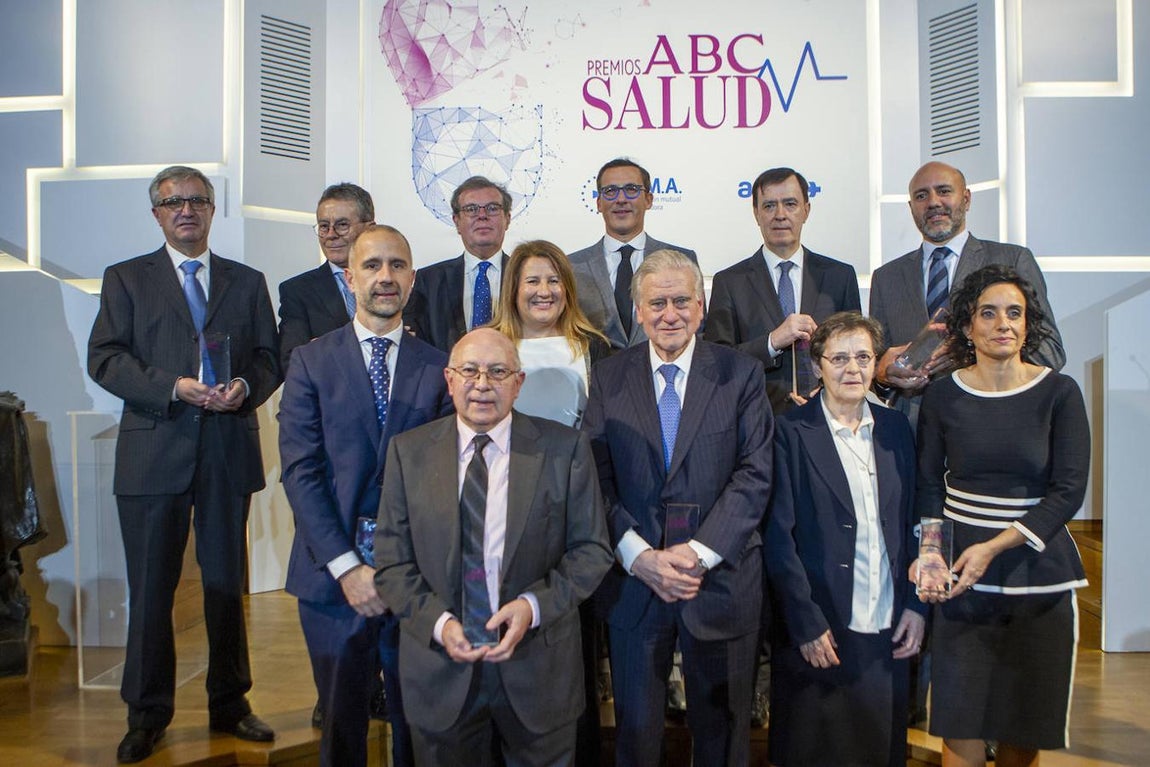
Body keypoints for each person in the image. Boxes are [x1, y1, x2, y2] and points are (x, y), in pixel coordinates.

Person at [87, 165, 281, 763]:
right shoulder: (126, 279)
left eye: (196, 199)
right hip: (153, 452)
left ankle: (230, 704)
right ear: (157, 215)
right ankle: (146, 714)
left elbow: (270, 359)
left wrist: (245, 385)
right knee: (151, 592)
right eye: (173, 202)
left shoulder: (247, 282)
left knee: (225, 586)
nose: (186, 210)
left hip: (225, 449)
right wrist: (172, 387)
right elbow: (105, 359)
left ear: (213, 208)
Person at [373, 328, 614, 767]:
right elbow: (391, 563)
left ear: (518, 383)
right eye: (469, 371)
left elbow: (591, 550)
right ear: (449, 379)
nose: (482, 384)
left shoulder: (565, 450)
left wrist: (532, 607)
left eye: (498, 372)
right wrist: (439, 622)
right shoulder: (408, 454)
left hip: (539, 674)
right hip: (441, 672)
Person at [582, 249, 774, 767]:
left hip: (719, 580)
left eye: (681, 301)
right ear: (638, 311)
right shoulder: (608, 376)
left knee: (723, 735)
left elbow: (755, 474)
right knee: (637, 737)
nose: (671, 313)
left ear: (702, 304)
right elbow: (594, 477)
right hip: (633, 584)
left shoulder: (741, 373)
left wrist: (697, 554)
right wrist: (639, 556)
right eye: (657, 302)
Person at [279, 225, 452, 767]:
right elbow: (301, 472)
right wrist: (347, 568)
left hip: (417, 577)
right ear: (349, 276)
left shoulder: (439, 365)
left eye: (397, 265)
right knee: (340, 727)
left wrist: (400, 569)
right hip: (331, 579)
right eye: (373, 265)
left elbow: (447, 477)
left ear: (413, 278)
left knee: (417, 725)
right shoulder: (310, 362)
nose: (385, 277)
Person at [915, 265, 1089, 767]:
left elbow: (1068, 490)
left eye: (1015, 313)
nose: (1003, 324)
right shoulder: (943, 394)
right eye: (987, 313)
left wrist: (994, 546)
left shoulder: (1060, 393)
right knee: (959, 723)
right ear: (968, 327)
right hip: (961, 585)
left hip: (1039, 579)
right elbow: (929, 484)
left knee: (1022, 728)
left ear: (1029, 325)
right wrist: (930, 551)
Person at [765, 311, 925, 767]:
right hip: (821, 624)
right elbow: (779, 539)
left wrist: (916, 605)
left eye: (862, 357)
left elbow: (914, 520)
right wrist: (805, 622)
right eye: (839, 358)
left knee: (879, 749)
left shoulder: (895, 430)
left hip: (887, 621)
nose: (852, 369)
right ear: (817, 366)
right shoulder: (789, 432)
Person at [869, 161, 1065, 423]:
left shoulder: (1012, 260)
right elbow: (876, 367)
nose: (933, 202)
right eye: (921, 195)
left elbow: (1049, 352)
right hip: (912, 434)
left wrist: (968, 353)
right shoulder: (886, 277)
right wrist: (883, 376)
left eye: (944, 191)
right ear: (911, 207)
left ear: (967, 198)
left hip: (994, 424)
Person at [707, 167, 861, 413]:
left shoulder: (840, 276)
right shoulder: (729, 282)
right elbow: (716, 361)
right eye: (769, 206)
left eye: (790, 204)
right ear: (756, 214)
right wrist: (772, 341)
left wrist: (828, 387)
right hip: (756, 419)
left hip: (828, 416)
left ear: (806, 211)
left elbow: (856, 350)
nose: (780, 215)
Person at [568, 158, 700, 350]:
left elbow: (695, 327)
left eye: (631, 189)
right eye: (610, 191)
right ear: (598, 203)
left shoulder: (682, 260)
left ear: (648, 200)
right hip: (594, 377)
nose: (621, 199)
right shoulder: (571, 266)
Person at [490, 239, 611, 427]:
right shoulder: (489, 344)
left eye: (554, 281)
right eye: (533, 281)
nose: (544, 292)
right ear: (513, 289)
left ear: (567, 289)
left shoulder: (593, 345)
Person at [405, 176, 512, 353]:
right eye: (471, 209)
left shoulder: (526, 276)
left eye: (492, 208)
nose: (482, 216)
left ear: (507, 219)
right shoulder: (429, 281)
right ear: (456, 221)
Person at [277, 183, 375, 371]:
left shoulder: (391, 284)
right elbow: (293, 361)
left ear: (369, 228)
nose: (331, 235)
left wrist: (322, 346)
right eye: (324, 226)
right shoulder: (297, 291)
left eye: (342, 225)